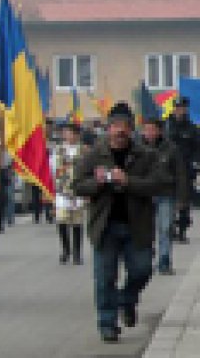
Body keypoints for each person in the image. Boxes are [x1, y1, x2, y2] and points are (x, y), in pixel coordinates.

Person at [73, 102, 161, 343]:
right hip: (105, 226)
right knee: (105, 278)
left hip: (137, 225)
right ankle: (107, 323)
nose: (120, 131)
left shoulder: (146, 155)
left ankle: (127, 299)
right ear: (108, 128)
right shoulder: (94, 156)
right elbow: (77, 185)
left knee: (142, 270)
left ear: (132, 129)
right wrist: (98, 183)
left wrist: (128, 181)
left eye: (125, 126)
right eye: (116, 126)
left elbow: (159, 184)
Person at [141, 116, 188, 275]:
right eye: (146, 129)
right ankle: (146, 260)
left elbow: (181, 174)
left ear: (159, 130)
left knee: (165, 228)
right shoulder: (137, 148)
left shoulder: (171, 148)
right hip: (144, 195)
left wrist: (182, 198)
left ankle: (164, 260)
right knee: (146, 229)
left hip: (165, 194)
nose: (148, 133)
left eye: (151, 129)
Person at [51, 122, 86, 265]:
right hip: (62, 189)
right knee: (62, 220)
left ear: (76, 135)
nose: (66, 135)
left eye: (69, 132)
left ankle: (77, 252)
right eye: (65, 132)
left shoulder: (83, 150)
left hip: (78, 189)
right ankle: (65, 250)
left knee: (77, 221)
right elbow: (52, 168)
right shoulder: (58, 150)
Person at [165, 96, 197, 243]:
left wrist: (195, 164)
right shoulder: (166, 126)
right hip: (168, 169)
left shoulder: (191, 128)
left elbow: (197, 148)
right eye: (177, 108)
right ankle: (169, 228)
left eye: (182, 108)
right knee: (168, 200)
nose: (180, 110)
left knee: (184, 202)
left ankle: (182, 230)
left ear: (186, 109)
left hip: (186, 169)